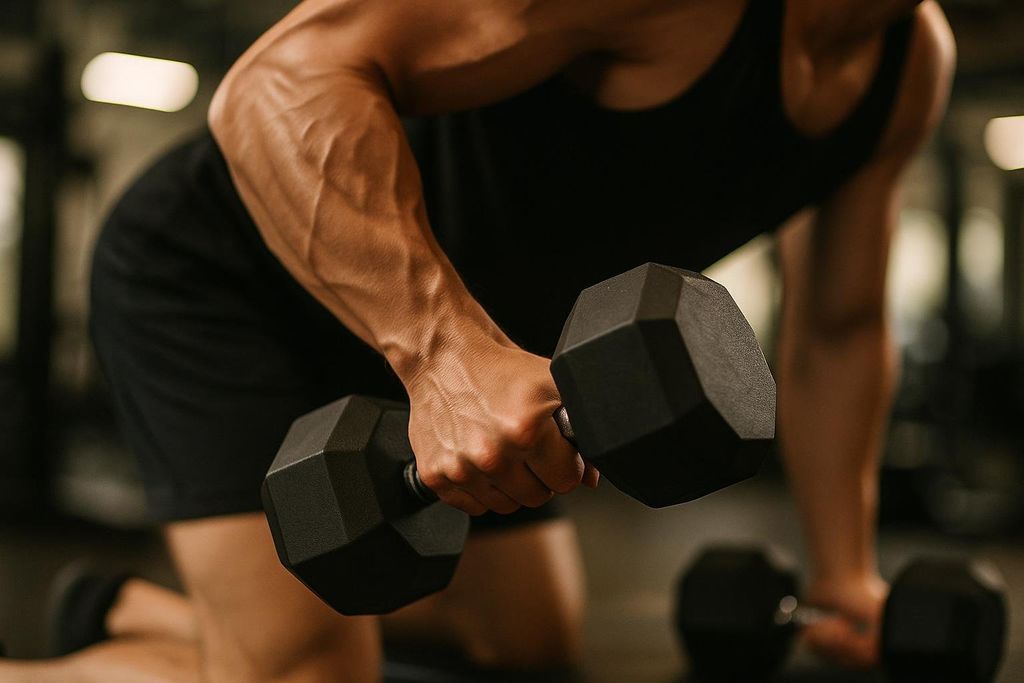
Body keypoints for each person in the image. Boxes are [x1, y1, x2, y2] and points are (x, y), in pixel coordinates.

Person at [0, 0, 954, 681]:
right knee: (305, 676)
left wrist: (843, 573)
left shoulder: (913, 61)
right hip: (241, 276)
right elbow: (277, 83)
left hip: (458, 331)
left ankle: (132, 609)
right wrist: (445, 358)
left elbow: (839, 328)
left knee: (530, 643)